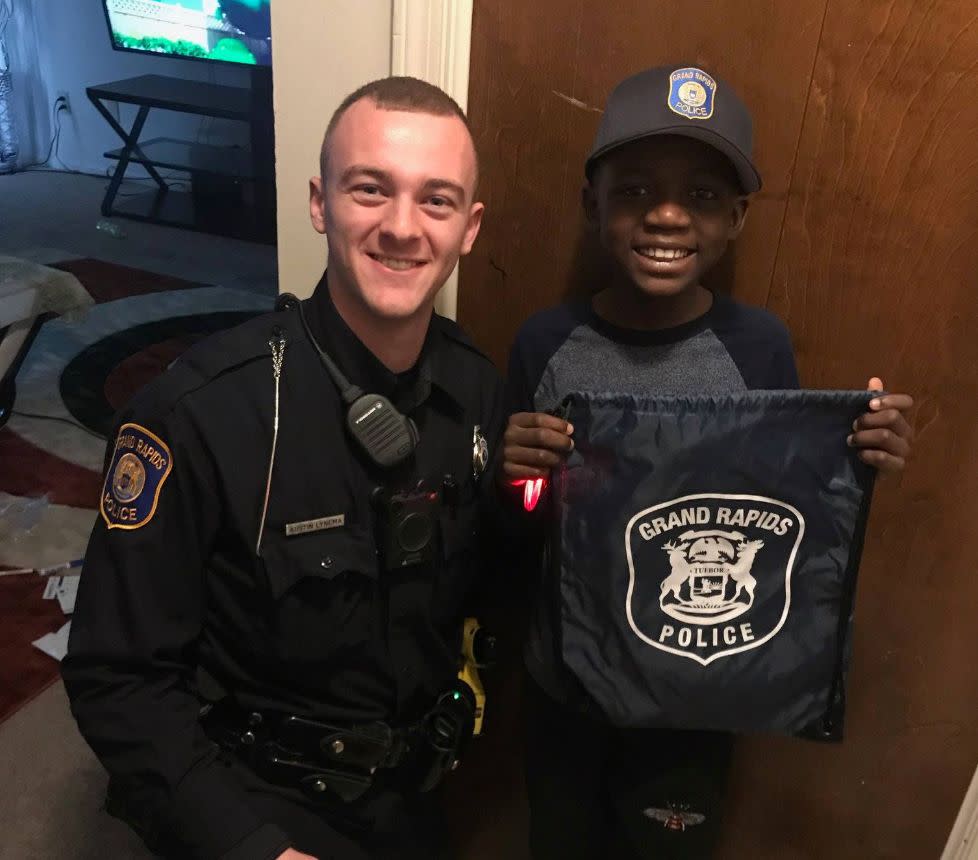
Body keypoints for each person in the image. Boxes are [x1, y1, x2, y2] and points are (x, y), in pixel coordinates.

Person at [62, 76, 504, 860]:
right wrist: (251, 847)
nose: (402, 228)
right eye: (371, 189)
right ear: (319, 203)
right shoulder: (198, 414)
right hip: (256, 803)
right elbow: (116, 677)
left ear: (468, 229)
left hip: (415, 797)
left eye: (436, 201)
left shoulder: (479, 391)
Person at [498, 65, 915, 859]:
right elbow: (522, 522)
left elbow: (782, 512)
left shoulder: (758, 347)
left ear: (736, 221)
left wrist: (861, 457)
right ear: (593, 204)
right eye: (635, 191)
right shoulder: (545, 344)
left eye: (701, 195)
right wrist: (519, 479)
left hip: (693, 690)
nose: (665, 215)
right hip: (567, 689)